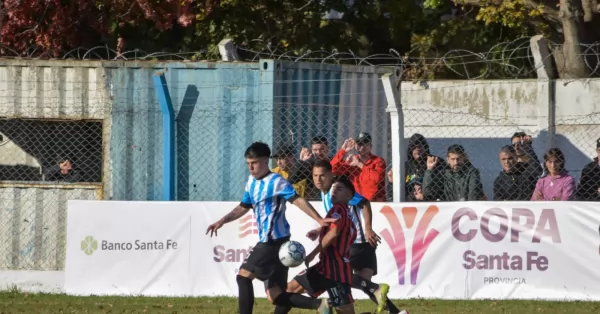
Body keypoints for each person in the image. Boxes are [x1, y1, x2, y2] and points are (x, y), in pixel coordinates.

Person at [206, 142, 337, 314]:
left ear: (266, 161)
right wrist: (223, 220)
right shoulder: (251, 182)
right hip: (276, 243)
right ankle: (320, 305)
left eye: (254, 163)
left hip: (272, 242)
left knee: (243, 277)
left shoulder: (276, 181)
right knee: (275, 296)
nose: (251, 167)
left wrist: (318, 219)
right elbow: (244, 206)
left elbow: (297, 200)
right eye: (248, 163)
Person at [308, 160, 408, 314]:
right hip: (356, 243)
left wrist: (368, 229)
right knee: (361, 283)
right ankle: (395, 312)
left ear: (330, 175)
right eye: (315, 176)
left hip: (355, 242)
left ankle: (373, 290)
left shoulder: (338, 190)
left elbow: (364, 203)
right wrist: (318, 229)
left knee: (338, 277)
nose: (318, 179)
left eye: (322, 176)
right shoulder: (326, 192)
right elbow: (334, 220)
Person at [274, 176, 359, 314]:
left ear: (349, 195)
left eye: (339, 189)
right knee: (290, 289)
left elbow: (333, 233)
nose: (334, 191)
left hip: (335, 270)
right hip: (327, 266)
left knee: (345, 310)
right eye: (333, 188)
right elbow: (340, 232)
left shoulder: (337, 210)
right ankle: (321, 304)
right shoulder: (347, 214)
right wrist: (320, 230)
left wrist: (312, 254)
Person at [331, 132, 387, 202]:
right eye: (360, 144)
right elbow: (332, 169)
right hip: (356, 202)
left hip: (375, 203)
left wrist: (359, 164)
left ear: (370, 146)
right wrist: (343, 151)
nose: (362, 147)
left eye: (366, 144)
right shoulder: (352, 161)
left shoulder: (378, 161)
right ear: (355, 146)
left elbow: (377, 178)